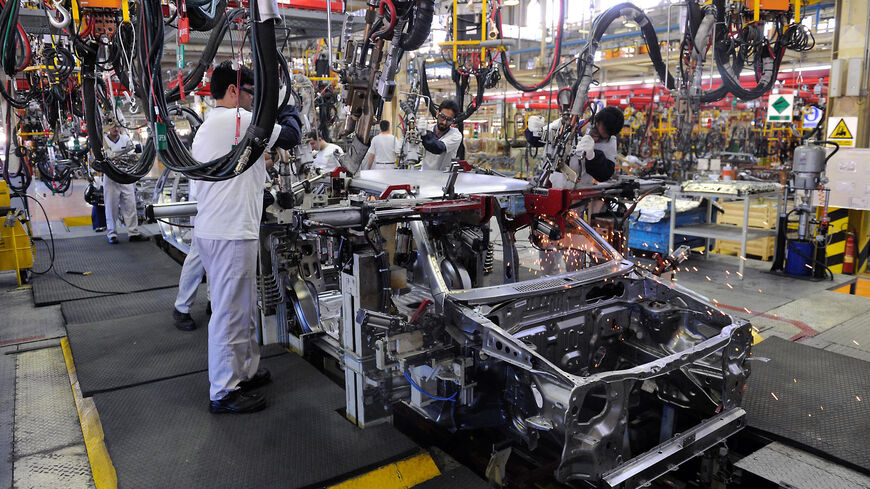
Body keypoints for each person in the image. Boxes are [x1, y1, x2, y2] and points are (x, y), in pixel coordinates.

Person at [192, 61, 301, 414]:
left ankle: (246, 372)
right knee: (228, 313)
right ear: (234, 91)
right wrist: (287, 104)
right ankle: (223, 391)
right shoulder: (235, 121)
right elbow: (292, 135)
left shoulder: (215, 124)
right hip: (229, 233)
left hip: (225, 229)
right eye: (253, 93)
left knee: (242, 311)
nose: (256, 101)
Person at [103, 124, 148, 244]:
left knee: (130, 205)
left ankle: (133, 232)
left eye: (118, 126)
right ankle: (112, 234)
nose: (116, 129)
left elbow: (133, 155)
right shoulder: (103, 141)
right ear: (107, 128)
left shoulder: (125, 139)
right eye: (113, 127)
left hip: (126, 176)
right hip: (110, 179)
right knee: (111, 207)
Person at [172, 178, 204, 331]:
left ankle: (214, 301)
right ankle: (181, 308)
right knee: (199, 252)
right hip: (205, 194)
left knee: (220, 252)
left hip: (225, 195)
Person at [420, 99, 463, 171]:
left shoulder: (455, 135)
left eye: (449, 119)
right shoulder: (427, 128)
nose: (444, 122)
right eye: (442, 117)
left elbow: (438, 148)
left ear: (453, 121)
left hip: (443, 179)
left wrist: (424, 134)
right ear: (437, 113)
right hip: (423, 176)